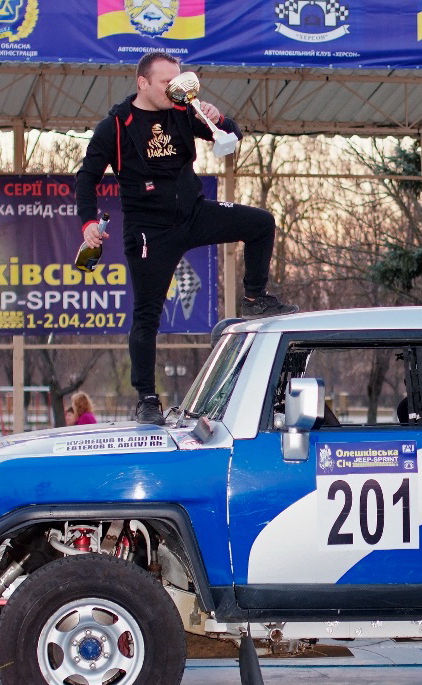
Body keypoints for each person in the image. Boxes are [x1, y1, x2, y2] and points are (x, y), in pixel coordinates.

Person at [75, 51, 297, 424]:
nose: (175, 88)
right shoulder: (115, 125)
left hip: (194, 214)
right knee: (147, 317)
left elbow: (232, 136)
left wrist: (218, 118)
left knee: (261, 223)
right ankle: (147, 399)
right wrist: (87, 225)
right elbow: (87, 178)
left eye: (178, 80)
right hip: (150, 232)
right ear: (142, 83)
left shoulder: (183, 109)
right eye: (166, 82)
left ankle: (255, 297)